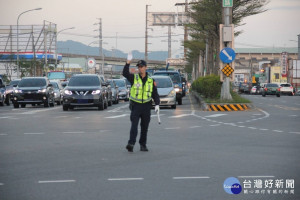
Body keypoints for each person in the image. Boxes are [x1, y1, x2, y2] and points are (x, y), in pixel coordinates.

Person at [123, 52, 160, 152]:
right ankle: (131, 143)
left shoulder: (151, 80)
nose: (140, 68)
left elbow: (155, 93)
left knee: (144, 127)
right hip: (136, 106)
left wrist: (157, 104)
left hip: (146, 106)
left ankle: (143, 145)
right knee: (134, 126)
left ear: (146, 67)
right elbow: (125, 73)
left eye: (142, 66)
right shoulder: (134, 78)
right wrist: (128, 63)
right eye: (139, 67)